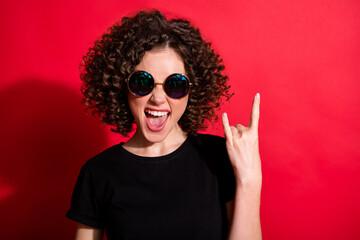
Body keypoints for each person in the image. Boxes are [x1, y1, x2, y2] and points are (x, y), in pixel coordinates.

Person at [66, 9, 262, 240]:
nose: (158, 98)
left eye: (175, 85)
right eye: (142, 82)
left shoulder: (219, 156)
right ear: (122, 86)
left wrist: (250, 179)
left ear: (192, 91)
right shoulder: (98, 173)